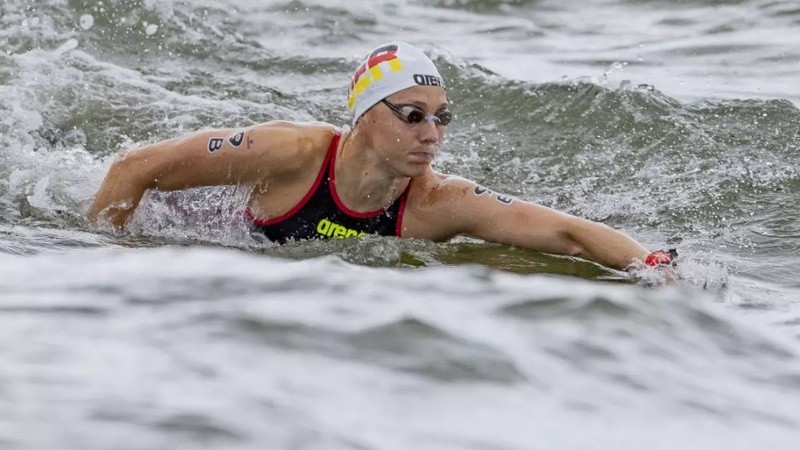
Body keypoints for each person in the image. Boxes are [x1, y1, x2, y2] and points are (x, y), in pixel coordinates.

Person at [88, 41, 675, 271]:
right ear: (365, 118)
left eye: (441, 118)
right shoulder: (290, 152)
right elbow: (134, 169)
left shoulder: (437, 204)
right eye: (412, 115)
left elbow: (568, 233)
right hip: (197, 231)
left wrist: (653, 268)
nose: (431, 134)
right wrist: (107, 256)